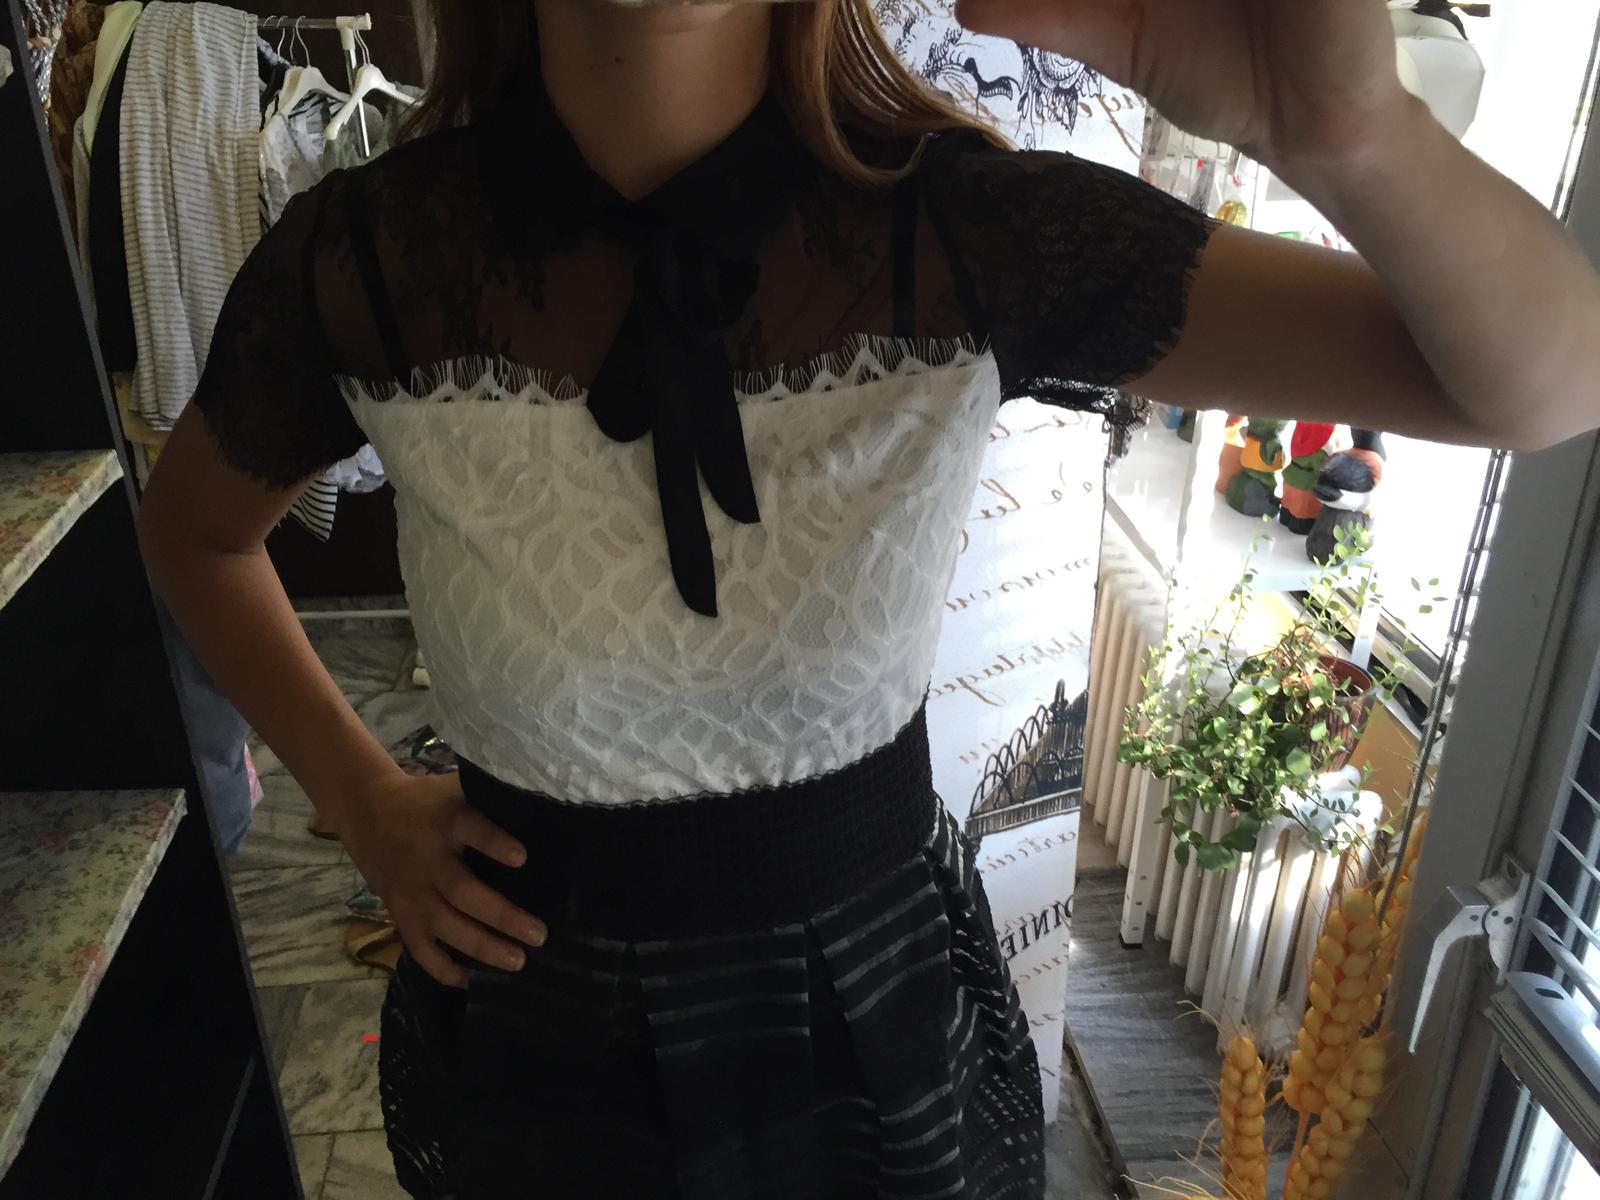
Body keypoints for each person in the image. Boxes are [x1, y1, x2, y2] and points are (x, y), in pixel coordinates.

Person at [135, 0, 1600, 1195]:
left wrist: (1346, 130)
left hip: (881, 1037)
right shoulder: (371, 266)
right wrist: (362, 798)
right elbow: (194, 538)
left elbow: (1539, 385)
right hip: (536, 1039)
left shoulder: (963, 239)